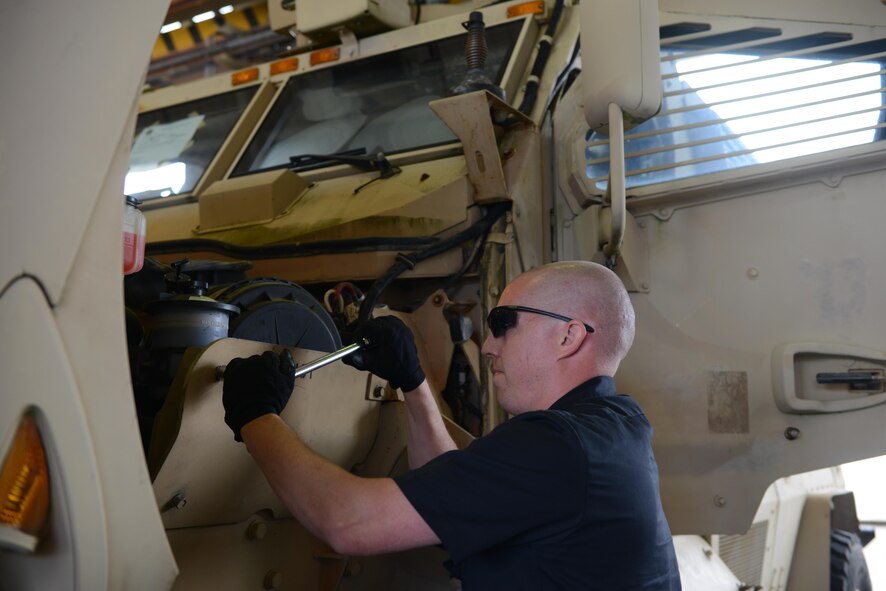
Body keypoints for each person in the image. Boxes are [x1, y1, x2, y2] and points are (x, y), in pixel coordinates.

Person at [221, 261, 682, 590]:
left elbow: (350, 523)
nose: (489, 346)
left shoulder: (558, 444)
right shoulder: (615, 426)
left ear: (569, 335)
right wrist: (412, 380)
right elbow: (450, 497)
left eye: (504, 324)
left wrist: (256, 414)